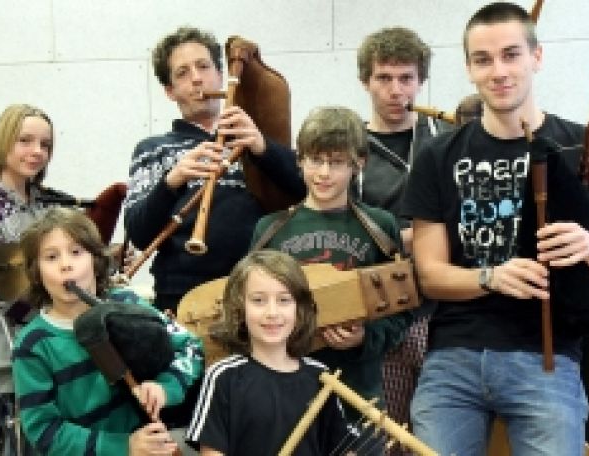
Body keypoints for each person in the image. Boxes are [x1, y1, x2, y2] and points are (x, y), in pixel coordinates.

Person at [403, 3, 589, 454]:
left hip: (547, 360)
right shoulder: (439, 157)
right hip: (452, 359)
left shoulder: (586, 149)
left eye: (511, 55)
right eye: (483, 59)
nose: (498, 71)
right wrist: (490, 277)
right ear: (469, 68)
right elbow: (430, 275)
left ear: (537, 57)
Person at [249, 107, 411, 446]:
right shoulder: (269, 230)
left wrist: (365, 337)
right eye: (314, 160)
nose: (323, 173)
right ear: (300, 161)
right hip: (284, 397)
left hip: (357, 393)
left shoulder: (379, 227)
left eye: (336, 163)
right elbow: (245, 313)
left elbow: (403, 312)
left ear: (358, 164)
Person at [124, 26, 305, 315]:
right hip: (182, 295)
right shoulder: (152, 149)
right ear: (170, 92)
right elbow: (139, 233)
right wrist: (172, 181)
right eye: (182, 73)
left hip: (259, 290)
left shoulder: (254, 137)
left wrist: (263, 148)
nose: (197, 78)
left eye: (204, 66)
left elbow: (307, 191)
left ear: (221, 76)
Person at [12, 208, 204, 455]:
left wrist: (165, 388)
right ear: (36, 273)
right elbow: (43, 429)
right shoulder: (33, 344)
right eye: (51, 257)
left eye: (76, 252)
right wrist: (123, 446)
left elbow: (191, 347)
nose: (66, 265)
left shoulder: (126, 304)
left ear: (95, 259)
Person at [354, 27, 451, 446]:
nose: (396, 90)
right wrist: (415, 236)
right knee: (388, 437)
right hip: (384, 313)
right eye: (384, 78)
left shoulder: (445, 141)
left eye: (406, 78)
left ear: (420, 81)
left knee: (439, 439)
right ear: (365, 81)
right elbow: (349, 231)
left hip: (443, 315)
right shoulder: (351, 147)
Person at [185, 249, 351, 455]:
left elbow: (344, 449)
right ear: (239, 308)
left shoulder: (322, 377)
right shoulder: (222, 377)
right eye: (258, 300)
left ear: (299, 309)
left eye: (284, 300)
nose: (272, 313)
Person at [0, 103, 57, 454]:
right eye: (25, 140)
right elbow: (10, 287)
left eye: (45, 145)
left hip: (56, 343)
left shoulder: (42, 203)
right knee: (28, 439)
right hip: (16, 344)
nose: (37, 152)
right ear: (3, 141)